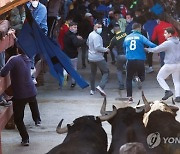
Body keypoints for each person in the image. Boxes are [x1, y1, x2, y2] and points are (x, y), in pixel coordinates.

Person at [0, 48, 41, 146]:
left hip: (20, 94)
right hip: (31, 91)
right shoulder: (28, 58)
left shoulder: (13, 59)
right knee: (32, 101)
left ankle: (25, 138)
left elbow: (3, 72)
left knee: (18, 119)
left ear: (17, 49)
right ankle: (37, 119)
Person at [145, 27, 180, 102]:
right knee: (177, 81)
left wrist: (147, 49)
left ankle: (167, 91)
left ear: (170, 34)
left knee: (159, 77)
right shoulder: (179, 42)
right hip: (178, 64)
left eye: (165, 33)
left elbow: (156, 49)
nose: (164, 35)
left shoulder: (168, 43)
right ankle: (178, 96)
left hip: (169, 64)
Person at [123, 23, 156, 103]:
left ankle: (130, 98)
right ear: (139, 28)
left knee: (128, 79)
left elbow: (124, 48)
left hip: (130, 60)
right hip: (140, 60)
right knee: (142, 76)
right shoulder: (141, 37)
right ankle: (139, 78)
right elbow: (151, 44)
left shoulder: (127, 37)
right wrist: (159, 47)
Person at [27, 0, 48, 84]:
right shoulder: (27, 6)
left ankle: (31, 75)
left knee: (31, 53)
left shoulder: (42, 8)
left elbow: (36, 22)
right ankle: (30, 73)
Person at [87, 21, 110, 96]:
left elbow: (87, 43)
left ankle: (92, 89)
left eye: (100, 27)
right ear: (94, 27)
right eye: (98, 27)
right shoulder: (97, 36)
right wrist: (105, 49)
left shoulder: (90, 34)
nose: (99, 29)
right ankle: (101, 86)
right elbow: (98, 47)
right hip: (98, 57)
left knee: (93, 73)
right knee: (106, 72)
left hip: (91, 57)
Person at [64, 21, 85, 88]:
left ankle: (64, 80)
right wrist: (83, 41)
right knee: (74, 69)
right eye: (74, 27)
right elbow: (76, 43)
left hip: (66, 54)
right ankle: (73, 82)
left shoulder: (66, 34)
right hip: (73, 55)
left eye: (76, 27)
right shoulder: (73, 36)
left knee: (66, 68)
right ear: (70, 27)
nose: (76, 28)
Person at [107, 24, 127, 90]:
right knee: (129, 70)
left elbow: (110, 47)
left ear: (114, 30)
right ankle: (132, 83)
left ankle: (121, 85)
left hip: (120, 56)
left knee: (119, 70)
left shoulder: (114, 39)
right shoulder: (126, 34)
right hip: (128, 55)